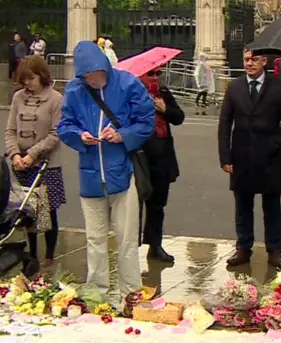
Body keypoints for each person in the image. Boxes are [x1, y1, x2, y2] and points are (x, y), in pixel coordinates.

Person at [57, 41, 155, 298]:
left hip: (122, 173)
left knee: (126, 239)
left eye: (95, 74)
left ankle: (131, 292)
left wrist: (122, 135)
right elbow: (65, 126)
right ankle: (95, 292)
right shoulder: (75, 90)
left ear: (104, 67)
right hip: (90, 175)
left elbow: (146, 122)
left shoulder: (127, 83)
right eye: (87, 76)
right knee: (95, 239)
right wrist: (81, 136)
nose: (92, 80)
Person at [218, 49, 281, 270]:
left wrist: (277, 142)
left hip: (269, 155)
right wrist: (225, 156)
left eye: (253, 59)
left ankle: (275, 251)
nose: (249, 63)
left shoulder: (279, 86)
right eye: (245, 59)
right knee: (242, 205)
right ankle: (243, 247)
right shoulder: (235, 87)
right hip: (241, 155)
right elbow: (225, 123)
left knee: (272, 205)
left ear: (264, 61)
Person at [4, 55, 66, 270]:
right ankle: (31, 254)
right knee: (26, 210)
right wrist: (15, 154)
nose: (27, 83)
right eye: (24, 80)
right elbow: (10, 130)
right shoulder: (18, 98)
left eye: (30, 78)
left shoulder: (56, 99)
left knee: (45, 212)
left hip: (45, 164)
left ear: (41, 75)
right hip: (22, 163)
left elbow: (55, 133)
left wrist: (32, 154)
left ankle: (49, 255)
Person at [139, 66, 185, 262]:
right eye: (151, 73)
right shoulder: (132, 94)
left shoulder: (163, 93)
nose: (155, 77)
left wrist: (165, 109)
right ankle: (130, 244)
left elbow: (179, 117)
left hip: (162, 155)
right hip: (141, 156)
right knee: (134, 204)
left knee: (157, 204)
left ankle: (155, 245)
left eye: (158, 73)